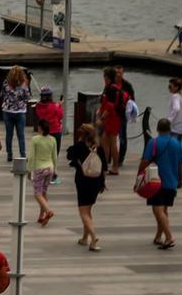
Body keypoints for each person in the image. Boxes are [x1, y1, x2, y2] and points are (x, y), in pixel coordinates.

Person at [140, 118, 182, 249]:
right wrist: (180, 180)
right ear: (170, 129)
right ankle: (159, 237)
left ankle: (169, 236)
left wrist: (139, 174)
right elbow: (181, 165)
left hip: (156, 182)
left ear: (158, 129)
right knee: (163, 210)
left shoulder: (153, 143)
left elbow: (145, 161)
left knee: (157, 210)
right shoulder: (176, 143)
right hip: (171, 183)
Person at [67, 123, 107, 251]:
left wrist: (79, 142)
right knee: (88, 210)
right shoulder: (99, 148)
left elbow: (69, 155)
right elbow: (104, 168)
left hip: (83, 181)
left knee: (83, 212)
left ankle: (93, 237)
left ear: (82, 135)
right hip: (96, 182)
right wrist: (102, 183)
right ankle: (85, 238)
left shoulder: (79, 147)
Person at [29, 119, 58, 226]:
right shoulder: (53, 139)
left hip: (39, 168)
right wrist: (55, 169)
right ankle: (41, 216)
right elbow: (54, 156)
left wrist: (29, 170)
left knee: (37, 194)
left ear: (40, 128)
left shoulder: (35, 139)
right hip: (50, 168)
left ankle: (48, 211)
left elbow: (31, 157)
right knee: (44, 192)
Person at [96, 66, 124, 176]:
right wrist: (99, 111)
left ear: (108, 77)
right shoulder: (107, 87)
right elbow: (104, 102)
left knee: (112, 142)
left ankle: (115, 167)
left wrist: (102, 118)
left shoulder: (111, 89)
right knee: (104, 141)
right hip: (109, 118)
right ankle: (105, 165)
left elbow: (110, 106)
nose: (104, 78)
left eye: (105, 76)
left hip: (113, 118)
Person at [0, 65, 30, 162]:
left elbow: (2, 94)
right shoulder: (24, 85)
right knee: (21, 135)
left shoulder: (6, 83)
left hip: (8, 111)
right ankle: (23, 154)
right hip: (20, 112)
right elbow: (27, 97)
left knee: (9, 134)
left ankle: (9, 153)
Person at [115, 65, 136, 168]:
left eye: (120, 73)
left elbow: (132, 100)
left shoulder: (127, 85)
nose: (118, 75)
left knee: (122, 136)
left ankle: (121, 158)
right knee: (110, 136)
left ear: (123, 73)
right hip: (112, 114)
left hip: (123, 114)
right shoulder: (111, 84)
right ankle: (111, 156)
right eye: (117, 73)